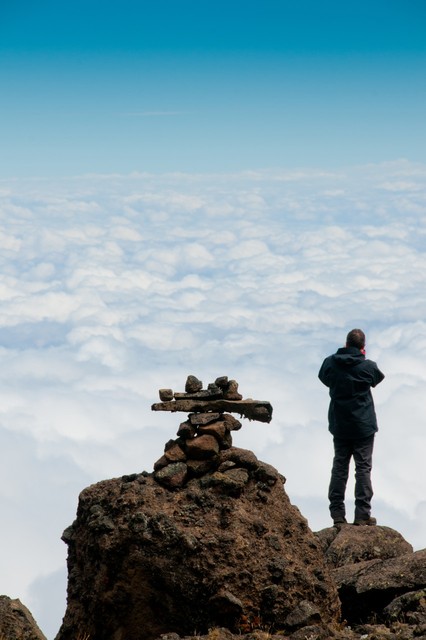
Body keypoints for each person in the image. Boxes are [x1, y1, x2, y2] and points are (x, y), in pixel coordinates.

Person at [318, 328, 385, 526]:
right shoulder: (368, 367)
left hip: (340, 424)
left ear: (346, 344)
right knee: (363, 468)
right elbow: (377, 379)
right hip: (363, 426)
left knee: (340, 467)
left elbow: (323, 378)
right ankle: (362, 515)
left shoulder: (330, 363)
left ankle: (337, 515)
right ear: (363, 348)